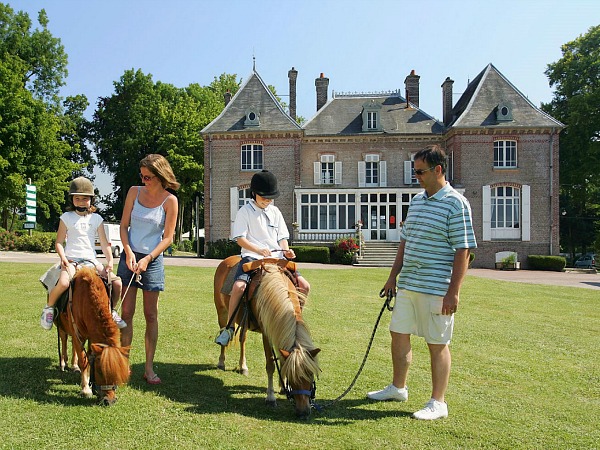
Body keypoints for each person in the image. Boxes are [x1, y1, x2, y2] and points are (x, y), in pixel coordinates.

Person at [366, 145, 477, 420]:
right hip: (409, 285)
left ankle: (438, 402)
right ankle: (398, 387)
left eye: (420, 171)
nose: (416, 176)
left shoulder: (456, 203)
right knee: (398, 333)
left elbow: (463, 250)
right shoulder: (416, 201)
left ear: (438, 170)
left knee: (437, 343)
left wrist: (454, 293)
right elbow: (406, 241)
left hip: (437, 288)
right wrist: (393, 277)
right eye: (414, 171)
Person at [215, 169, 310, 346]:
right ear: (254, 194)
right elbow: (240, 239)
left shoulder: (275, 211)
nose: (267, 200)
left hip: (277, 258)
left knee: (305, 285)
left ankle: (295, 321)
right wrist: (258, 250)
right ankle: (229, 328)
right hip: (252, 257)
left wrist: (287, 251)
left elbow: (282, 237)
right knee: (239, 286)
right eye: (263, 197)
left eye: (270, 197)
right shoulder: (245, 211)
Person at [118, 154, 179, 385]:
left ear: (161, 176)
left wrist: (148, 259)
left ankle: (148, 368)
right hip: (129, 257)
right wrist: (129, 252)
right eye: (142, 176)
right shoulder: (134, 192)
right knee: (126, 314)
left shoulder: (170, 200)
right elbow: (124, 226)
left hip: (153, 261)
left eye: (149, 177)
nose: (145, 181)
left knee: (151, 315)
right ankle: (123, 364)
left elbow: (168, 238)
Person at [40, 177, 125, 330]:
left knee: (117, 283)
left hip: (92, 262)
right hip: (72, 261)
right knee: (64, 283)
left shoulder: (97, 219)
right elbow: (58, 242)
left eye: (84, 198)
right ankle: (49, 308)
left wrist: (110, 261)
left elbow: (105, 244)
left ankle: (111, 310)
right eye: (77, 198)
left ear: (91, 200)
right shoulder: (66, 218)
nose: (80, 201)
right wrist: (63, 259)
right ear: (72, 199)